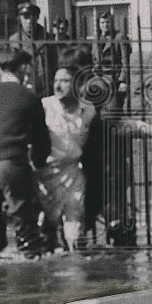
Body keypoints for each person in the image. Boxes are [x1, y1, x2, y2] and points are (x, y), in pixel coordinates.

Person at [65, 44, 152, 245]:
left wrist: (151, 130)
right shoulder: (67, 89)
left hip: (107, 164)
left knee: (113, 221)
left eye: (72, 71)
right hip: (81, 166)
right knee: (81, 224)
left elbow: (116, 122)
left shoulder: (99, 86)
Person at [0, 47, 51, 259]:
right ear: (23, 68)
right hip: (12, 163)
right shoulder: (30, 97)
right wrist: (39, 162)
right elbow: (42, 139)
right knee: (23, 216)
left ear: (0, 69)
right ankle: (29, 258)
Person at [37, 64, 97, 251]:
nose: (58, 86)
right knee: (45, 227)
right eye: (56, 80)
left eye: (64, 81)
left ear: (77, 85)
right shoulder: (44, 106)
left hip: (73, 173)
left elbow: (112, 127)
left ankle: (76, 270)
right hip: (44, 175)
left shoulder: (88, 110)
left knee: (75, 227)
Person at [8, 2, 56, 94]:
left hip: (45, 86)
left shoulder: (48, 38)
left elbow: (55, 62)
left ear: (37, 18)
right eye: (25, 17)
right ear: (20, 19)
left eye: (33, 17)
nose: (29, 21)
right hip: (25, 86)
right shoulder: (14, 40)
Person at [92, 10, 131, 110]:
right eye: (102, 22)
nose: (105, 25)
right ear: (99, 24)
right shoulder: (96, 38)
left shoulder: (119, 37)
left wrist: (123, 80)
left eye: (107, 22)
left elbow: (125, 60)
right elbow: (94, 58)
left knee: (113, 108)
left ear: (112, 22)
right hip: (99, 78)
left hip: (114, 78)